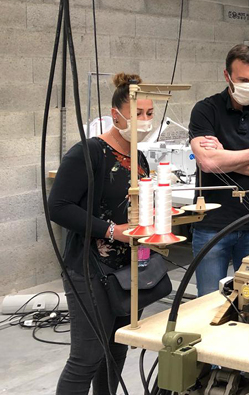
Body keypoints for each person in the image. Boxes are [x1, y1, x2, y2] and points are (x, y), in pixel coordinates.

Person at [48, 73, 152, 395]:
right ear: (115, 115)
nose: (145, 120)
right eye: (137, 113)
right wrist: (111, 231)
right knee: (87, 357)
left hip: (128, 270)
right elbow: (59, 207)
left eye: (150, 113)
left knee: (116, 351)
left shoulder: (139, 157)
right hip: (89, 269)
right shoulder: (89, 152)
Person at [189, 44, 249, 296]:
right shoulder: (205, 110)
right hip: (211, 226)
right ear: (227, 76)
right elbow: (208, 163)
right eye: (243, 80)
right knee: (208, 302)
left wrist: (226, 156)